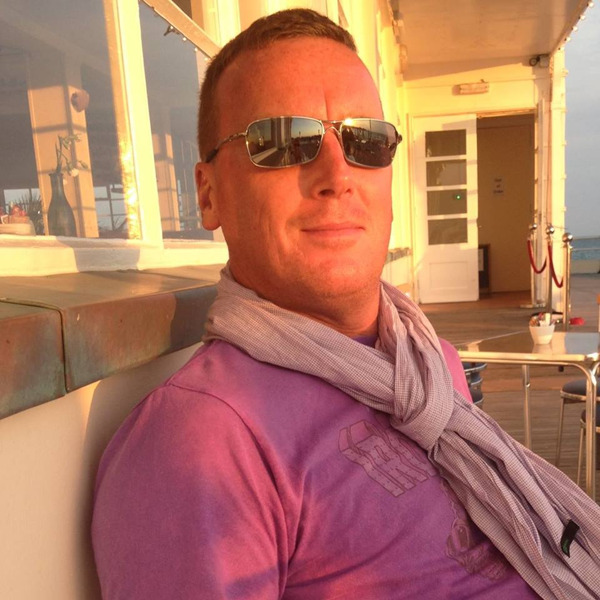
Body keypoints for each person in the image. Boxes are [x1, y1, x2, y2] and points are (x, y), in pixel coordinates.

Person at [92, 9, 600, 600]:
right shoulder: (202, 442)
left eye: (366, 141)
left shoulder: (425, 359)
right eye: (283, 141)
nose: (338, 174)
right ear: (209, 194)